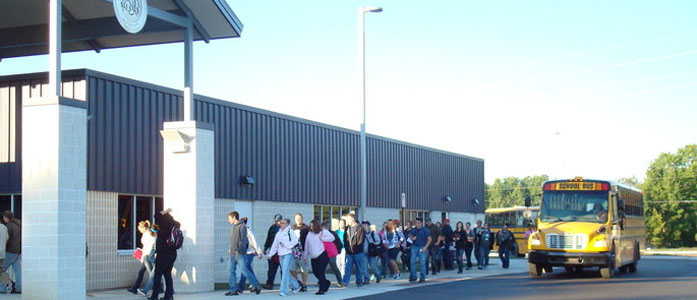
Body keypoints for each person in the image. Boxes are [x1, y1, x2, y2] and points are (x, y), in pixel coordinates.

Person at [225, 211, 260, 296]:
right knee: (230, 271)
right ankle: (233, 290)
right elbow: (233, 241)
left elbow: (243, 240)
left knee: (245, 271)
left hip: (240, 253)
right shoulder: (233, 227)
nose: (228, 220)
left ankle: (256, 285)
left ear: (234, 217)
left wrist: (238, 250)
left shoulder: (242, 227)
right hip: (232, 253)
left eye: (229, 218)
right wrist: (231, 249)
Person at [149, 208, 180, 300]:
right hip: (172, 254)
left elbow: (157, 215)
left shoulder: (164, 225)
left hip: (163, 254)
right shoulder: (175, 225)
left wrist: (166, 211)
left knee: (158, 276)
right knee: (168, 275)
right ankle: (169, 296)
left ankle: (154, 296)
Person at [267, 218, 301, 296]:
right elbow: (275, 245)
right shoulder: (278, 233)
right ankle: (296, 285)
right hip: (281, 254)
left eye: (283, 223)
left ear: (287, 224)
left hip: (288, 253)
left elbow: (295, 241)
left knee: (285, 272)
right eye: (281, 223)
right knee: (286, 272)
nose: (281, 224)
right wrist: (270, 254)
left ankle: (284, 291)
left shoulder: (290, 232)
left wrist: (286, 245)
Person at [304, 220, 335, 295]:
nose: (311, 227)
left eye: (313, 226)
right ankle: (326, 282)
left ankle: (321, 289)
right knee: (315, 271)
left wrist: (323, 238)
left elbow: (332, 238)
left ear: (317, 226)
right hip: (313, 256)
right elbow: (307, 245)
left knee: (321, 272)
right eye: (310, 226)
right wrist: (305, 256)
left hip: (322, 254)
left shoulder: (323, 232)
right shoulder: (309, 234)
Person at [235, 217, 263, 295]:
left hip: (249, 253)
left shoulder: (247, 230)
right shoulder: (240, 230)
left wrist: (259, 252)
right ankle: (256, 285)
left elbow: (254, 241)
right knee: (248, 270)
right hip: (243, 253)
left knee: (245, 270)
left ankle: (240, 288)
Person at [128, 220, 157, 295]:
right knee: (141, 272)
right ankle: (135, 287)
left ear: (143, 228)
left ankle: (158, 287)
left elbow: (151, 245)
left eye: (140, 229)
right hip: (146, 254)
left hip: (147, 255)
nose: (139, 231)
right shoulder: (148, 233)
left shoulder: (148, 234)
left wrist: (148, 254)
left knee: (151, 273)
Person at [342, 213, 366, 287]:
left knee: (359, 267)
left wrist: (356, 248)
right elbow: (345, 238)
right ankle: (345, 281)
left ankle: (359, 281)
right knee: (347, 267)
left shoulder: (359, 228)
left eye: (348, 219)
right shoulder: (347, 228)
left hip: (358, 252)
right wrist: (347, 248)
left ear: (352, 219)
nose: (347, 221)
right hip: (349, 252)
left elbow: (360, 240)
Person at [262, 214, 283, 290]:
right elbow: (268, 238)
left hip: (282, 252)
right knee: (271, 270)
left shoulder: (284, 228)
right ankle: (269, 284)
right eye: (277, 221)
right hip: (272, 252)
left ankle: (284, 285)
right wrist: (265, 248)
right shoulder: (272, 228)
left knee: (283, 270)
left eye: (279, 220)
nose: (278, 222)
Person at [321, 222, 345, 287]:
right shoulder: (320, 234)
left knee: (334, 267)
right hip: (323, 253)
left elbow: (338, 243)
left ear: (327, 228)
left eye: (324, 228)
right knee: (322, 268)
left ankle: (340, 280)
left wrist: (338, 251)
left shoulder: (332, 234)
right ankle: (321, 281)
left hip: (331, 253)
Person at [408, 218, 431, 283]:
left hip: (422, 246)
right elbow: (410, 237)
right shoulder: (414, 230)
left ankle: (422, 277)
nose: (417, 224)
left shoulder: (425, 230)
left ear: (421, 223)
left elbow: (429, 239)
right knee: (412, 261)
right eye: (416, 223)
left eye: (418, 223)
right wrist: (412, 238)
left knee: (422, 262)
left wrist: (425, 247)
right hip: (415, 247)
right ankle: (413, 276)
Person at [2, 211, 20, 294]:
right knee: (18, 270)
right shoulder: (18, 225)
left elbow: (6, 239)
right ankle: (19, 287)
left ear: (6, 217)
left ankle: (2, 288)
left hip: (10, 251)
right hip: (18, 251)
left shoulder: (9, 226)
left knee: (2, 269)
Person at [0, 220, 11, 294]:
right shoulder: (4, 227)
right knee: (0, 269)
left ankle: (8, 281)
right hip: (2, 252)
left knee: (0, 270)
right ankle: (8, 282)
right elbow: (7, 238)